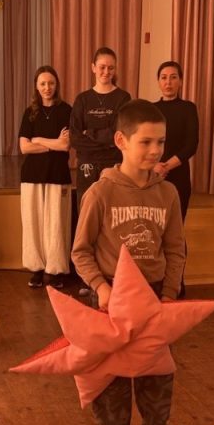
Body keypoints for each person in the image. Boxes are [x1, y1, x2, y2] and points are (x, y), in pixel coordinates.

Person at [71, 100, 186, 425]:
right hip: (111, 299)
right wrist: (100, 287)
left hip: (155, 296)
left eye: (161, 142)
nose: (155, 150)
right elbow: (80, 251)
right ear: (121, 140)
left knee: (157, 376)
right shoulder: (100, 193)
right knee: (111, 379)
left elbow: (175, 249)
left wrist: (169, 295)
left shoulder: (168, 193)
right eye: (146, 142)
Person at [70, 47, 132, 292]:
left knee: (112, 220)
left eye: (111, 67)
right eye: (102, 67)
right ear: (93, 67)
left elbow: (120, 134)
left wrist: (92, 134)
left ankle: (112, 275)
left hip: (114, 165)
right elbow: (75, 138)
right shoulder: (82, 99)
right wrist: (104, 138)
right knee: (86, 219)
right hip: (86, 165)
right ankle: (88, 278)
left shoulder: (123, 98)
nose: (106, 71)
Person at [18, 66, 72, 289]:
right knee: (33, 223)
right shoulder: (30, 112)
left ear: (56, 84)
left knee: (56, 223)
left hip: (58, 174)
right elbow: (24, 147)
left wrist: (38, 140)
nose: (47, 87)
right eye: (42, 83)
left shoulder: (66, 111)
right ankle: (37, 269)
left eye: (51, 83)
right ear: (36, 86)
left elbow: (65, 145)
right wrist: (53, 144)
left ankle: (56, 270)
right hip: (31, 175)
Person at [152, 61, 199, 223]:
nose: (168, 82)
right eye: (164, 77)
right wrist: (154, 166)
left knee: (176, 224)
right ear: (158, 81)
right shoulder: (150, 109)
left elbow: (191, 145)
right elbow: (144, 143)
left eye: (173, 77)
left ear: (180, 81)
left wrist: (166, 167)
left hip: (179, 174)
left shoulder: (188, 108)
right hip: (152, 173)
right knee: (153, 224)